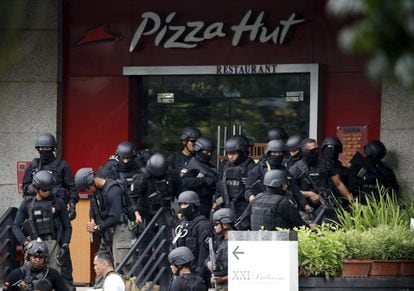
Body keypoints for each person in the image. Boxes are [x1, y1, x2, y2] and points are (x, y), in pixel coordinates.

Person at [21, 132, 78, 290]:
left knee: (62, 257)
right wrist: (38, 187)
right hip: (37, 211)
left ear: (52, 149)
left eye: (47, 149)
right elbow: (25, 188)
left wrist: (71, 204)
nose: (44, 152)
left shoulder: (61, 165)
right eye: (41, 149)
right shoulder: (33, 166)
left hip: (57, 210)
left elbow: (72, 189)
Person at [130, 153, 182, 287]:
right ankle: (142, 285)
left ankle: (164, 285)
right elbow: (132, 196)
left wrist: (179, 210)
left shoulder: (171, 174)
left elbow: (179, 192)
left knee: (164, 250)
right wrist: (136, 214)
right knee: (144, 250)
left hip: (163, 212)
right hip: (145, 215)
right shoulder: (142, 177)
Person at [74, 168, 135, 278]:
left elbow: (115, 217)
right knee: (101, 263)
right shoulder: (97, 191)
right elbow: (93, 206)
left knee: (121, 265)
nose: (89, 190)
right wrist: (92, 219)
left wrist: (97, 227)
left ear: (92, 182)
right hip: (107, 231)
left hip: (121, 229)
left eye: (88, 188)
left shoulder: (113, 190)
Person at [12, 170, 72, 276]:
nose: (48, 192)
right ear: (37, 188)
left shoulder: (59, 203)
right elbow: (16, 226)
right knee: (30, 277)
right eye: (45, 190)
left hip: (53, 244)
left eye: (50, 189)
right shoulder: (27, 204)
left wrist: (65, 245)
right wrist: (25, 242)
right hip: (33, 244)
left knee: (54, 276)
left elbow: (67, 226)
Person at [289, 138, 353, 223]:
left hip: (326, 206)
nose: (315, 152)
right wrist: (309, 194)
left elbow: (339, 184)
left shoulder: (326, 164)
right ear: (304, 151)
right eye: (312, 150)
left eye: (317, 149)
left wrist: (352, 201)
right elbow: (290, 191)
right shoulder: (295, 168)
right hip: (307, 210)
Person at [244, 140, 310, 213]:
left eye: (280, 153)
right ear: (268, 153)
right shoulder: (259, 170)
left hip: (282, 206)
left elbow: (295, 190)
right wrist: (253, 198)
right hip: (263, 207)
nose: (277, 155)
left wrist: (305, 205)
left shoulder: (285, 171)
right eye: (274, 153)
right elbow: (248, 188)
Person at [173, 191, 213, 288]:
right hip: (181, 273)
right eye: (181, 204)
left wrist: (198, 276)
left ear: (194, 205)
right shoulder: (181, 224)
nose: (182, 207)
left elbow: (204, 254)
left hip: (197, 275)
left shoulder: (203, 225)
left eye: (185, 204)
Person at [213, 135, 256, 219]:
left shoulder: (250, 167)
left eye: (233, 154)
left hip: (244, 207)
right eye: (228, 153)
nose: (230, 157)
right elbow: (219, 189)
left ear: (242, 153)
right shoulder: (224, 166)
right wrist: (215, 204)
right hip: (226, 206)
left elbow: (254, 190)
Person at [3, 238, 69, 291]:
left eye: (41, 257)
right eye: (34, 257)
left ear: (45, 259)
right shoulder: (16, 274)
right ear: (28, 256)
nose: (37, 260)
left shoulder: (52, 274)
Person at [180, 136, 218, 218]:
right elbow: (184, 182)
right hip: (195, 205)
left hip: (209, 203)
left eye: (211, 152)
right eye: (206, 152)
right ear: (198, 149)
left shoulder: (210, 167)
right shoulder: (191, 165)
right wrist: (203, 180)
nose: (209, 154)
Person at [208, 208, 235, 290]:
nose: (215, 227)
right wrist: (209, 263)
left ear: (225, 224)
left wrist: (224, 278)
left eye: (217, 224)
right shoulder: (220, 240)